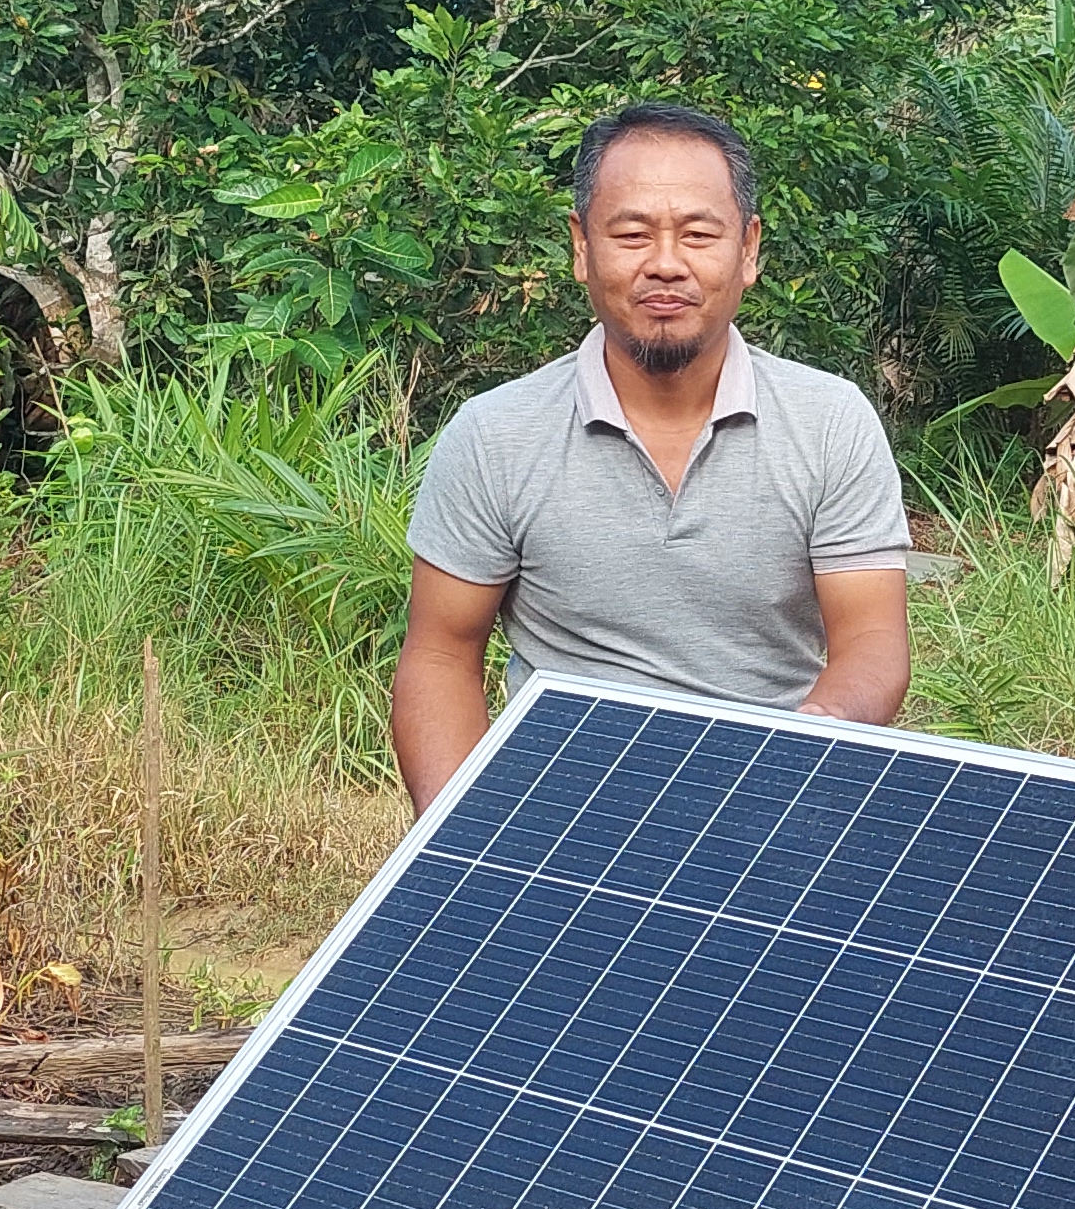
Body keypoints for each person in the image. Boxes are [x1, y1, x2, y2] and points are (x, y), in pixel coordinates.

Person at [391, 102, 912, 808]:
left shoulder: (831, 423)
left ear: (749, 249)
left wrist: (809, 741)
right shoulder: (495, 436)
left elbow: (873, 642)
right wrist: (461, 844)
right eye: (631, 234)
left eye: (700, 234)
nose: (666, 264)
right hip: (560, 805)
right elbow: (440, 656)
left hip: (775, 789)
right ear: (581, 247)